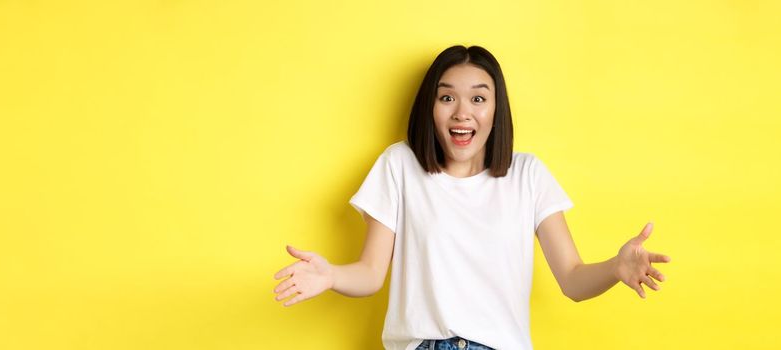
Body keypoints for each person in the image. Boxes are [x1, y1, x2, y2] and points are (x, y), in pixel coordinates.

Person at [273, 45, 672, 350]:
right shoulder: (400, 166)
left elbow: (572, 279)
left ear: (496, 111)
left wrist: (615, 268)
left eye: (479, 99)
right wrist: (331, 276)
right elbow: (371, 273)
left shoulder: (528, 174)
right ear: (430, 108)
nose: (462, 112)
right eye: (447, 98)